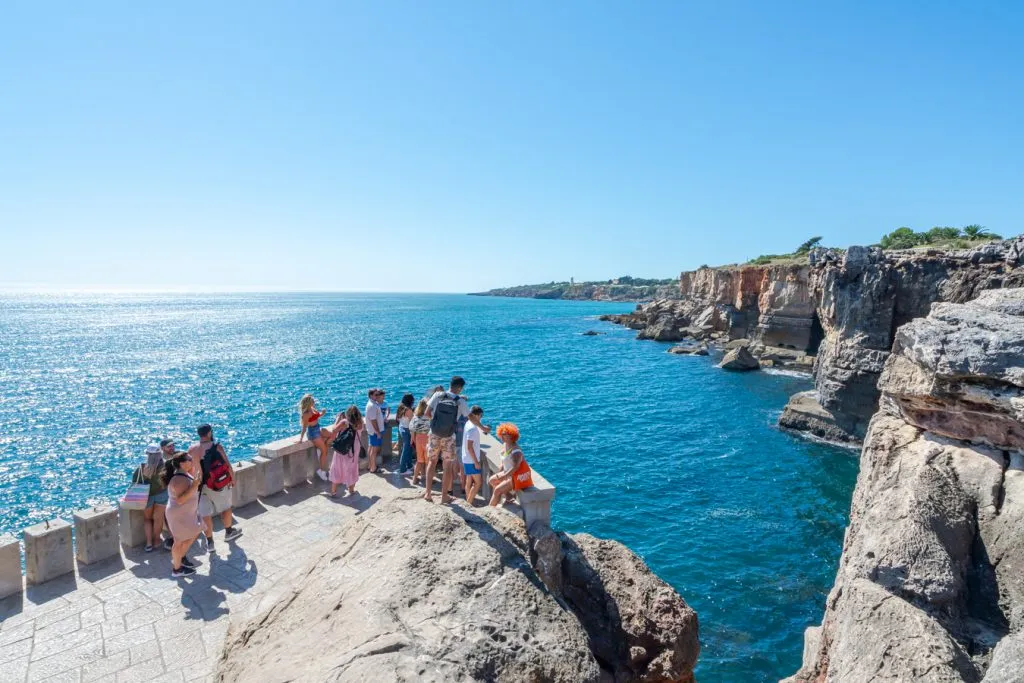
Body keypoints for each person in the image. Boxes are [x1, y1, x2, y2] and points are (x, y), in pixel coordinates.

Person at [189, 424, 242, 553]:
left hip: (199, 486)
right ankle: (229, 532)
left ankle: (210, 542)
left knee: (205, 514)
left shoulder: (191, 449)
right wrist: (232, 479)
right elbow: (227, 465)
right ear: (209, 433)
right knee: (225, 508)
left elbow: (190, 469)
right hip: (217, 484)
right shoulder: (216, 447)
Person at [423, 377, 470, 504]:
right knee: (447, 465)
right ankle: (444, 496)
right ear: (460, 388)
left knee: (432, 462)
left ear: (450, 385)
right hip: (449, 436)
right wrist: (483, 427)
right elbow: (469, 417)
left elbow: (427, 413)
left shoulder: (438, 395)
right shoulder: (460, 401)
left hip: (434, 433)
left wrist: (437, 423)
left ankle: (428, 493)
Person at [162, 451, 202, 577]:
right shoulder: (179, 479)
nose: (192, 460)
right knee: (179, 541)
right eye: (189, 459)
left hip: (185, 513)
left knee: (194, 532)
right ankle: (177, 569)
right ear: (182, 463)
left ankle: (180, 558)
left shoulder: (183, 475)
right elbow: (180, 499)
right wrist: (195, 485)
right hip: (179, 514)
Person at [131, 445, 169, 552]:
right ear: (159, 454)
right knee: (158, 519)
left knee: (147, 519)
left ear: (148, 454)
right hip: (162, 494)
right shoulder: (164, 467)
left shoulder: (141, 468)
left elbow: (134, 483)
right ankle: (157, 541)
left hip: (146, 497)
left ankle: (148, 544)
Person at [488, 422, 533, 506]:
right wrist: (502, 469)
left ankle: (489, 511)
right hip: (508, 473)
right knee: (492, 480)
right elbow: (505, 459)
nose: (502, 436)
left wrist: (504, 476)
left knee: (497, 490)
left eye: (505, 434)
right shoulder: (505, 444)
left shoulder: (516, 451)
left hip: (515, 476)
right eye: (502, 434)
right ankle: (508, 496)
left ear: (512, 436)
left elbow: (516, 467)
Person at [328, 405, 364, 496]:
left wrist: (337, 419)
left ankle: (333, 492)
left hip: (343, 447)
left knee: (337, 467)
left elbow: (334, 430)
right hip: (354, 447)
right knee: (352, 467)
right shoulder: (361, 422)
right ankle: (351, 489)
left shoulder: (344, 422)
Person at [298, 394, 333, 482]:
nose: (314, 402)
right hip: (313, 433)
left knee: (332, 436)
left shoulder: (312, 409)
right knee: (325, 450)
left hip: (318, 428)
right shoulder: (306, 414)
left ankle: (319, 449)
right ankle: (321, 471)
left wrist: (322, 414)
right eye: (313, 401)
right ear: (309, 402)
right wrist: (301, 439)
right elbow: (304, 427)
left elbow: (316, 417)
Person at [461, 406, 485, 505]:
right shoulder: (473, 429)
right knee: (478, 483)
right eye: (481, 416)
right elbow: (470, 447)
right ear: (476, 415)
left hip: (466, 458)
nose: (481, 418)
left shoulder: (467, 423)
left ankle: (469, 501)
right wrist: (476, 462)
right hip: (471, 460)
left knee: (469, 481)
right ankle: (469, 503)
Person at [158, 438, 177, 550]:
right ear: (163, 448)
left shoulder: (177, 456)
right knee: (167, 514)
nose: (172, 448)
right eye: (169, 446)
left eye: (173, 445)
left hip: (178, 487)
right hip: (166, 491)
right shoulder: (160, 460)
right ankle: (172, 536)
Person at [409, 400, 431, 486]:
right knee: (428, 461)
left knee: (419, 460)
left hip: (418, 439)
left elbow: (411, 429)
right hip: (427, 439)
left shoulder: (415, 417)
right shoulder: (428, 417)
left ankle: (415, 479)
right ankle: (427, 481)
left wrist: (413, 439)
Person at [364, 389, 387, 473]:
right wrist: (377, 432)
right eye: (375, 395)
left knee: (371, 448)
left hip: (372, 431)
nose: (377, 396)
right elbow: (373, 420)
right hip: (375, 432)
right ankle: (373, 468)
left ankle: (371, 465)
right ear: (371, 395)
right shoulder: (372, 406)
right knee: (375, 450)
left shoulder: (372, 404)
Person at [396, 393, 415, 476]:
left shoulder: (400, 407)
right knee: (406, 449)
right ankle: (402, 469)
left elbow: (397, 419)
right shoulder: (409, 410)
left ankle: (409, 465)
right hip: (407, 430)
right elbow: (411, 424)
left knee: (408, 448)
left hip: (401, 428)